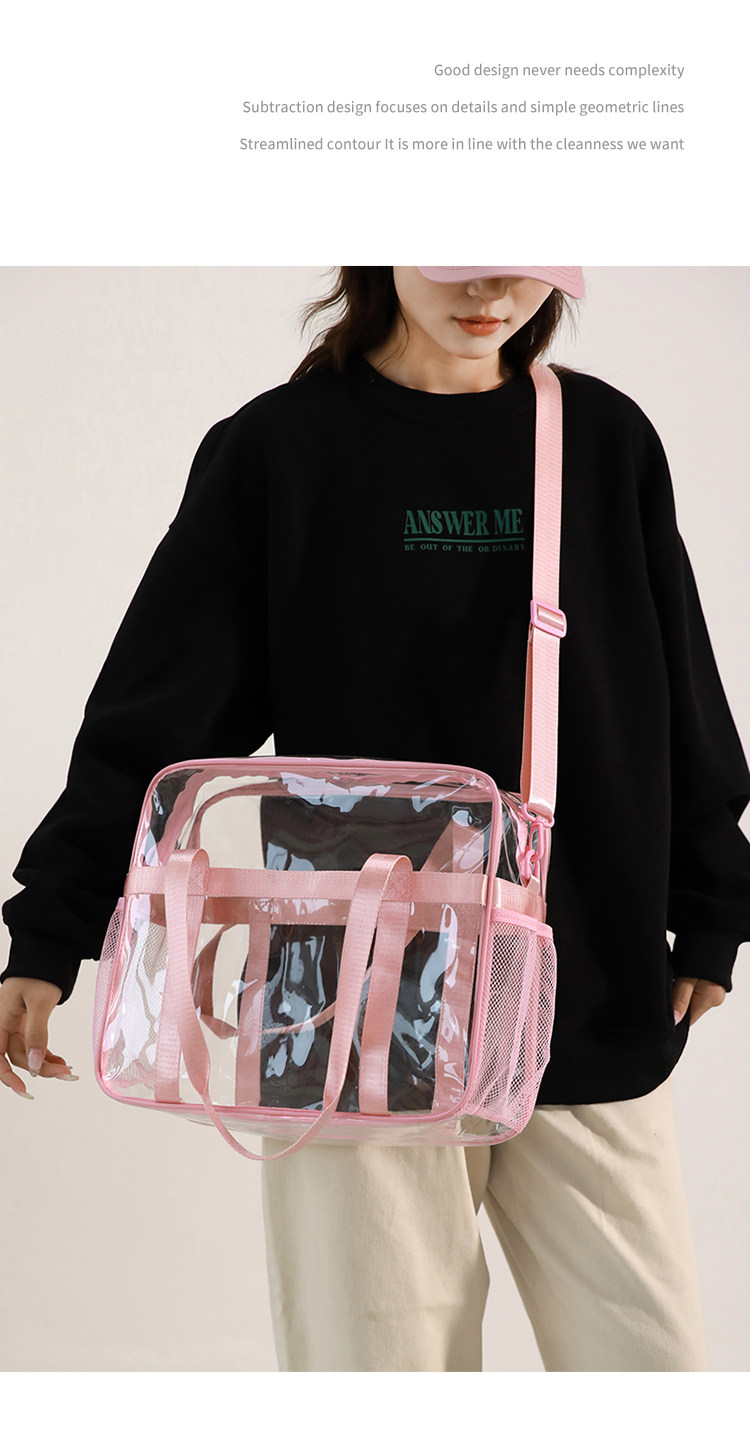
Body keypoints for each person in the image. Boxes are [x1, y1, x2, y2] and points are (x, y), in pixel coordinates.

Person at [2, 267, 750, 1373]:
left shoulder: (603, 441)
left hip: (581, 983)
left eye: (522, 254)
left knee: (651, 1371)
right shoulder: (280, 450)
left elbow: (681, 687)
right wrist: (50, 931)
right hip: (342, 1007)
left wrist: (712, 900)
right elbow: (156, 715)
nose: (490, 286)